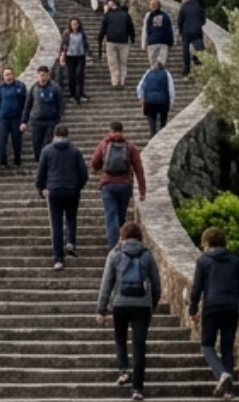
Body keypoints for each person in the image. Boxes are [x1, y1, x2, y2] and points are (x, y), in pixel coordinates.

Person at [96, 220, 162, 400]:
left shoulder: (115, 254)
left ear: (122, 235)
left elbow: (106, 283)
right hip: (142, 305)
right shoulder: (147, 254)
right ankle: (137, 389)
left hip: (120, 303)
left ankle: (124, 370)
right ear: (139, 236)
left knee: (120, 338)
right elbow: (156, 283)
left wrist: (101, 309)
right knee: (139, 346)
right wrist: (152, 304)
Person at [189, 227, 239, 397]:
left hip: (212, 307)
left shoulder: (203, 261)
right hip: (231, 307)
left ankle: (221, 373)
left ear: (207, 243)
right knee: (227, 348)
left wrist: (193, 308)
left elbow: (197, 288)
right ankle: (228, 390)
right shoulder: (235, 261)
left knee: (207, 345)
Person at [34, 123, 89, 268]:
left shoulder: (47, 151)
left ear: (54, 135)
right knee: (71, 218)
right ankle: (70, 242)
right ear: (68, 135)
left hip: (54, 191)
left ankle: (59, 258)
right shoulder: (75, 151)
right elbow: (83, 174)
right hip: (72, 190)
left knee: (56, 223)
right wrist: (78, 187)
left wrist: (41, 188)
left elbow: (41, 172)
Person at [91, 122, 147, 248]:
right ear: (122, 131)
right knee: (121, 216)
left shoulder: (104, 144)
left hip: (108, 185)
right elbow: (139, 169)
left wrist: (97, 169)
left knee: (111, 216)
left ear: (110, 131)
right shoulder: (129, 147)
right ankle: (122, 241)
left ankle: (113, 246)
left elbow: (94, 162)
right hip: (125, 185)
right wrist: (142, 190)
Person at [25, 63, 66, 163]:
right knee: (36, 142)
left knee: (47, 142)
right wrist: (24, 121)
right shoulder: (34, 88)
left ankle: (45, 161)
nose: (42, 78)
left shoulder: (55, 88)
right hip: (36, 120)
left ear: (48, 75)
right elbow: (27, 105)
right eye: (40, 75)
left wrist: (59, 117)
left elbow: (61, 104)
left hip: (51, 120)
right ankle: (38, 160)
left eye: (44, 75)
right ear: (37, 75)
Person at [0, 67, 28, 168]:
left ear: (14, 75)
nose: (8, 77)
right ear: (3, 77)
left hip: (16, 118)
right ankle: (3, 162)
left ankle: (17, 161)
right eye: (6, 75)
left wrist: (24, 120)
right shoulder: (1, 87)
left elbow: (25, 104)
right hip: (3, 118)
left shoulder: (20, 86)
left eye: (10, 74)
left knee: (16, 141)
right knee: (2, 141)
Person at [99, 0, 135, 91]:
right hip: (124, 41)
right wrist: (132, 38)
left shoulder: (108, 15)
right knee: (123, 63)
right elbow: (131, 27)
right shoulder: (126, 15)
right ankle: (122, 81)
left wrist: (100, 38)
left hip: (111, 41)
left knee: (113, 63)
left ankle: (115, 82)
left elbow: (103, 28)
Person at [138, 60, 175, 136]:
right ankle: (162, 134)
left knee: (151, 120)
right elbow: (171, 88)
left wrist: (141, 98)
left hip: (149, 101)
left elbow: (139, 87)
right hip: (163, 101)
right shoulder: (166, 73)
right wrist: (172, 101)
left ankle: (153, 135)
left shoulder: (148, 73)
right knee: (163, 119)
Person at [177, 0, 207, 76]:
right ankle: (200, 65)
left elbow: (180, 21)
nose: (182, 1)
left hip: (186, 32)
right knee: (199, 49)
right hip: (197, 32)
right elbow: (203, 20)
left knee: (186, 51)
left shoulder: (184, 7)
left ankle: (186, 70)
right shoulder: (198, 6)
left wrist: (181, 31)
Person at [61, 17, 91, 101]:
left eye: (76, 24)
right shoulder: (67, 34)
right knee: (71, 75)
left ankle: (81, 93)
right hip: (70, 57)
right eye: (73, 24)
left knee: (80, 74)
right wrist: (62, 55)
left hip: (80, 56)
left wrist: (87, 53)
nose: (74, 25)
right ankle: (72, 94)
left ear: (78, 25)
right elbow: (63, 45)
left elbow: (86, 44)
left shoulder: (82, 33)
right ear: (70, 25)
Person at [142, 0, 174, 71]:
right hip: (158, 43)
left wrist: (144, 43)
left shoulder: (151, 16)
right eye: (151, 4)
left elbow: (146, 30)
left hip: (157, 42)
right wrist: (171, 42)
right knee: (158, 64)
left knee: (156, 64)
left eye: (153, 4)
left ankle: (157, 78)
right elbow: (169, 30)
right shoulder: (164, 16)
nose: (152, 6)